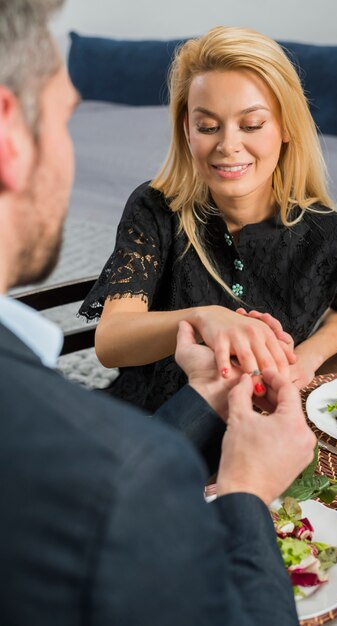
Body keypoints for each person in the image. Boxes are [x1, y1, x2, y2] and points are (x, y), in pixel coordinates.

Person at [0, 2, 317, 624]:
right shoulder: (128, 475)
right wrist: (246, 492)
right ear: (8, 138)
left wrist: (202, 390)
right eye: (70, 118)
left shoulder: (318, 226)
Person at [79, 26, 337, 413]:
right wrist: (205, 319)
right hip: (147, 423)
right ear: (186, 130)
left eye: (252, 124)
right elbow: (111, 342)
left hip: (256, 429)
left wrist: (308, 357)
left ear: (286, 126)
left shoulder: (331, 235)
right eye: (207, 126)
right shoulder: (156, 209)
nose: (227, 146)